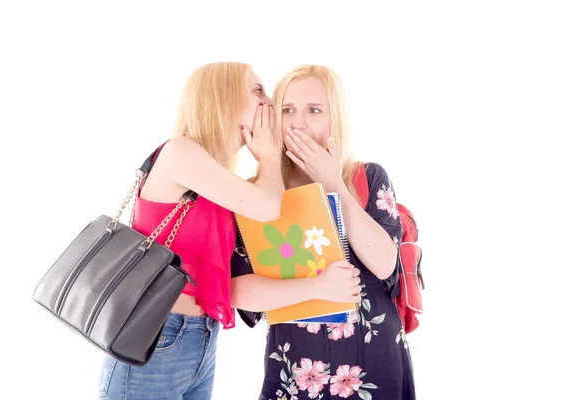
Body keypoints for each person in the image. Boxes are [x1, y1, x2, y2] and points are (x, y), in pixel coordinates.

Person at [99, 62, 284, 400]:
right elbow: (268, 207)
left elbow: (272, 207)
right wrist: (269, 158)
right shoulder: (180, 152)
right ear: (223, 98)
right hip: (157, 337)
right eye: (257, 90)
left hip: (200, 338)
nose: (268, 101)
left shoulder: (216, 178)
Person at [231, 65, 416, 399]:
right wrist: (316, 286)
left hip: (372, 362)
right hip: (295, 368)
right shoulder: (259, 194)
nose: (298, 122)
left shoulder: (369, 177)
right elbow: (240, 292)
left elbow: (385, 264)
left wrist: (334, 184)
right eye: (288, 110)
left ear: (335, 118)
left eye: (314, 110)